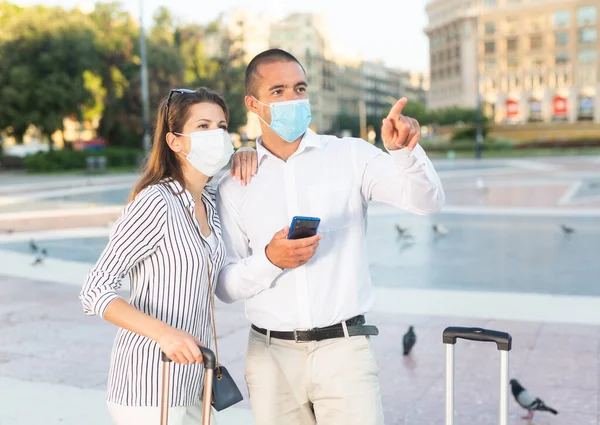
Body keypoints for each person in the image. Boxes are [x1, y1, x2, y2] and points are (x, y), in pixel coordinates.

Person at [214, 49, 445, 425]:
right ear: (253, 104)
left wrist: (405, 152)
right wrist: (270, 260)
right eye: (278, 91)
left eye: (299, 88)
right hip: (270, 356)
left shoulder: (349, 156)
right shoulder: (236, 185)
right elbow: (224, 284)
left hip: (344, 350)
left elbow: (427, 202)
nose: (293, 99)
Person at [79, 87, 254, 425]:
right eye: (202, 127)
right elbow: (94, 289)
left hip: (194, 382)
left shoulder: (212, 200)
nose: (216, 135)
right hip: (149, 384)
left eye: (221, 126)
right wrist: (164, 333)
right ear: (175, 142)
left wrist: (247, 151)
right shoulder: (156, 202)